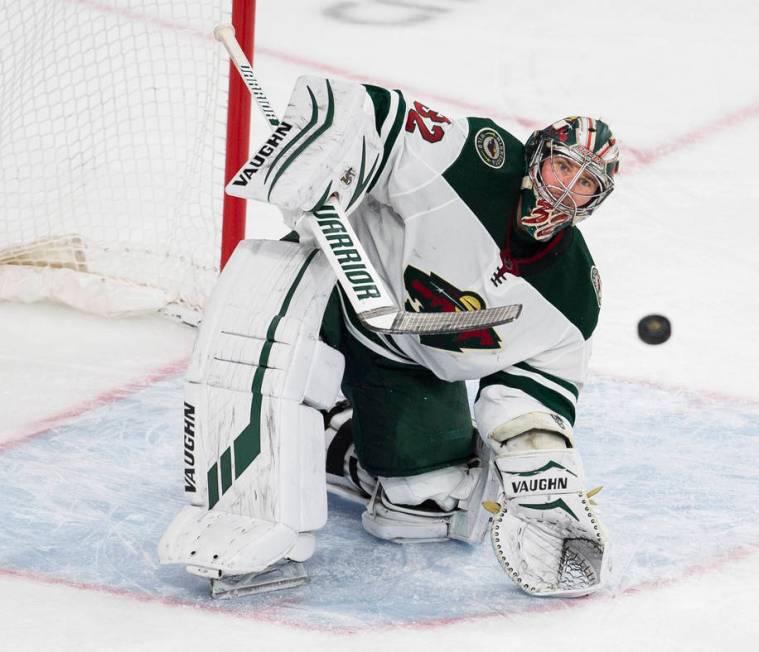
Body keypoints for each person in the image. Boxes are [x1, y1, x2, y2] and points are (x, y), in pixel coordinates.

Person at [160, 76, 619, 598]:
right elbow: (380, 115)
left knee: (428, 503)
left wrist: (544, 477)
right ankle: (246, 514)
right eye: (563, 166)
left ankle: (342, 441)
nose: (565, 187)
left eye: (584, 182)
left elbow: (531, 396)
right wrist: (326, 154)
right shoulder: (477, 158)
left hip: (405, 360)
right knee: (267, 326)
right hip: (335, 285)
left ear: (596, 199)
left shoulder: (573, 296)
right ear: (536, 157)